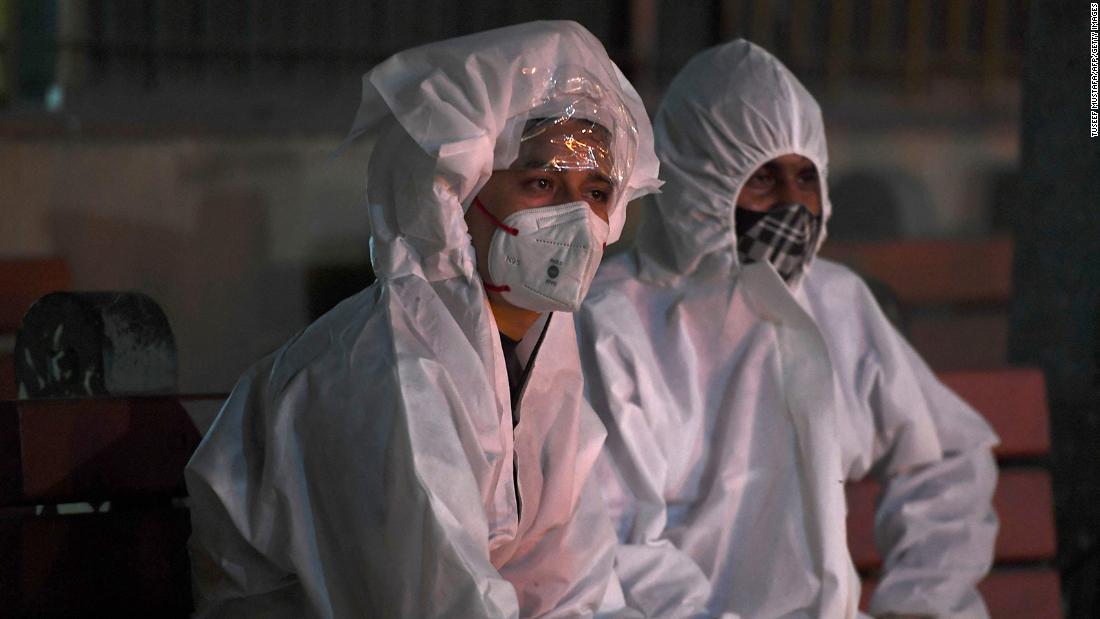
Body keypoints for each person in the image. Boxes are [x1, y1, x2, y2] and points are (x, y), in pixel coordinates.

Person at [185, 21, 673, 618]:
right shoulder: (384, 372)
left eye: (597, 192)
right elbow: (438, 602)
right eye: (541, 183)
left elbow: (573, 585)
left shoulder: (543, 371)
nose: (576, 219)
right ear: (453, 196)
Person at [575, 40, 999, 618]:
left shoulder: (835, 302)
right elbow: (612, 542)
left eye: (806, 178)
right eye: (764, 181)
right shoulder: (614, 323)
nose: (795, 206)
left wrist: (921, 602)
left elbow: (947, 455)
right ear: (700, 183)